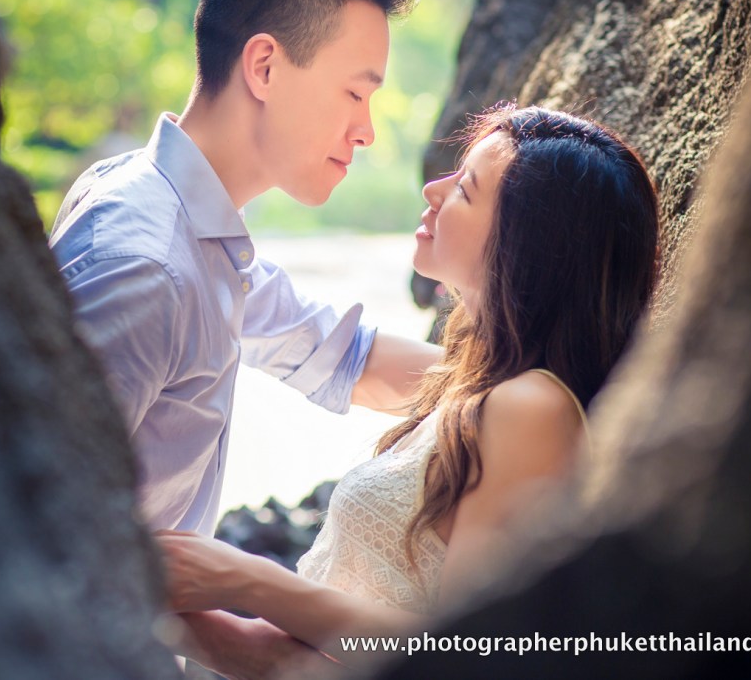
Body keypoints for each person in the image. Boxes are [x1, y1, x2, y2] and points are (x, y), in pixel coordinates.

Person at [157, 104, 662, 674]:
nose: (433, 188)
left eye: (466, 189)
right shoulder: (473, 386)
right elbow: (333, 347)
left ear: (531, 247)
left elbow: (470, 654)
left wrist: (248, 580)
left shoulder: (532, 410)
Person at [51, 0, 437, 536]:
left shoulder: (197, 233)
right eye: (355, 94)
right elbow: (43, 519)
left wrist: (532, 392)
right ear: (264, 67)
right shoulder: (145, 264)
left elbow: (341, 357)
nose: (365, 130)